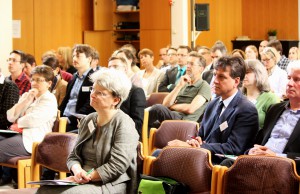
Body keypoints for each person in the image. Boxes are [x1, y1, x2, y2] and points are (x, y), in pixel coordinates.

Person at [36, 68, 139, 194]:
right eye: (93, 89)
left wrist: (88, 176)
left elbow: (117, 165)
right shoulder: (88, 120)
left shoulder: (125, 124)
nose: (93, 94)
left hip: (110, 183)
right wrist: (77, 170)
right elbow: (74, 156)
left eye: (100, 93)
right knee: (44, 190)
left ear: (116, 100)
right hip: (83, 179)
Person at [167, 56, 259, 164]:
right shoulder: (213, 104)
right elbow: (200, 135)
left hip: (220, 164)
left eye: (221, 77)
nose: (215, 81)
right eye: (215, 75)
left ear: (236, 81)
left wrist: (198, 147)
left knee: (165, 157)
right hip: (201, 157)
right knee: (160, 153)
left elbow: (233, 148)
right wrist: (195, 141)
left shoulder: (246, 109)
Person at [221, 60, 300, 174]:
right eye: (289, 78)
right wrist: (252, 151)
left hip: (285, 169)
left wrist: (277, 156)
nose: (289, 83)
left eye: (297, 79)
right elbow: (260, 140)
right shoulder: (275, 109)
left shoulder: (269, 99)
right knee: (227, 164)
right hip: (260, 162)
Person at [0, 65, 57, 184]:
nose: (35, 83)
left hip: (33, 140)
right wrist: (26, 100)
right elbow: (10, 116)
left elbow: (33, 120)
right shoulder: (28, 96)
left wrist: (18, 123)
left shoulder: (49, 99)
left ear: (49, 83)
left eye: (39, 80)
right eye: (33, 79)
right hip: (17, 135)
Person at [148, 52, 211, 129]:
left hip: (185, 121)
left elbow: (190, 109)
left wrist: (172, 106)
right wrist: (179, 86)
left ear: (201, 68)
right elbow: (165, 104)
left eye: (191, 64)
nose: (188, 66)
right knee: (150, 124)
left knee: (157, 109)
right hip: (173, 116)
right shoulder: (183, 83)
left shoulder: (204, 86)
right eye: (187, 63)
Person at [59, 44, 95, 132]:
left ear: (89, 59)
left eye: (78, 56)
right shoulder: (74, 77)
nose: (74, 59)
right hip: (64, 117)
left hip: (78, 121)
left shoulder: (94, 78)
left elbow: (89, 105)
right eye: (73, 56)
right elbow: (66, 100)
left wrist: (71, 119)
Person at [108, 56, 146, 136]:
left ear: (125, 69)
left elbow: (137, 124)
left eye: (115, 66)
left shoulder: (136, 91)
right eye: (109, 67)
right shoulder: (106, 90)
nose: (112, 69)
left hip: (125, 134)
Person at [242, 59, 280, 129]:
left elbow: (275, 128)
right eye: (242, 73)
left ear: (258, 73)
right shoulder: (239, 97)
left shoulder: (270, 98)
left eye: (247, 72)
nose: (243, 76)